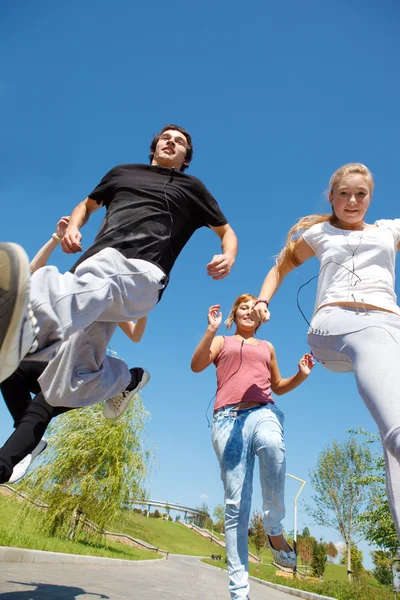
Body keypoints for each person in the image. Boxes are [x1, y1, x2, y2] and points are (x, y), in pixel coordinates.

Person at [0, 125, 237, 416]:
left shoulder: (193, 188)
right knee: (65, 383)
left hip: (142, 274)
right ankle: (127, 380)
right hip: (93, 279)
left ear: (185, 158)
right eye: (166, 138)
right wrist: (74, 226)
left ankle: (26, 326)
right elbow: (86, 206)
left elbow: (227, 232)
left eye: (179, 143)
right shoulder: (121, 172)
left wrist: (228, 255)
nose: (171, 143)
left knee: (105, 266)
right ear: (154, 147)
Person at [253, 162, 400, 546]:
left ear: (370, 198)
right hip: (334, 324)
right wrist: (263, 302)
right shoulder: (319, 233)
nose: (352, 201)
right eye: (344, 194)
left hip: (389, 326)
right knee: (372, 337)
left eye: (361, 194)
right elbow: (280, 267)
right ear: (332, 198)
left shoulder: (389, 230)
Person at [0, 218, 149, 485]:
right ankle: (28, 440)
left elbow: (137, 335)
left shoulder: (116, 296)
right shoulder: (75, 281)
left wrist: (143, 307)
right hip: (49, 359)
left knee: (44, 403)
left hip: (78, 373)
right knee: (11, 370)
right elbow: (32, 273)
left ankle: (6, 461)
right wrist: (56, 239)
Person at [191, 294, 314, 600]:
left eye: (252, 308)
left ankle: (273, 527)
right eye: (241, 308)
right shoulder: (221, 341)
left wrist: (300, 374)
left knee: (273, 444)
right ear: (234, 315)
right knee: (236, 507)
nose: (247, 311)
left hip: (262, 412)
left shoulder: (267, 347)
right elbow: (196, 366)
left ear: (260, 318)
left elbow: (277, 386)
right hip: (227, 420)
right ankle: (238, 593)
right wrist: (210, 329)